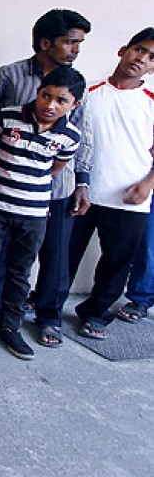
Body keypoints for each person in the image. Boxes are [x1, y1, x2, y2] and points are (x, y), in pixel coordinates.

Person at [0, 9, 93, 336]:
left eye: (80, 43)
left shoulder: (74, 87)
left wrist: (81, 181)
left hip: (50, 189)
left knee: (52, 256)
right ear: (46, 43)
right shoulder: (9, 76)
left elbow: (81, 136)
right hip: (3, 187)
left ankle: (49, 318)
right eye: (70, 42)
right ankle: (0, 308)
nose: (76, 50)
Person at [64, 30, 154, 339]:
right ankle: (48, 308)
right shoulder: (89, 94)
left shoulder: (151, 103)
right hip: (83, 192)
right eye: (139, 50)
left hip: (129, 198)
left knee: (117, 262)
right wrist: (77, 184)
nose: (142, 59)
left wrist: (147, 183)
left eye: (151, 58)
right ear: (122, 50)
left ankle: (95, 313)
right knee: (64, 254)